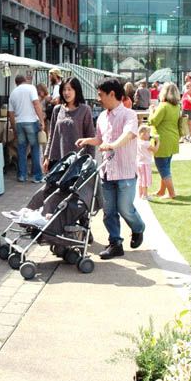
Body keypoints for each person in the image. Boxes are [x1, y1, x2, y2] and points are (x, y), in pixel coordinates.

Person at [75, 78, 146, 260]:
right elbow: (100, 139)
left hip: (126, 172)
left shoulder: (128, 115)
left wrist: (113, 145)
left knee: (125, 208)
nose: (98, 98)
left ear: (112, 94)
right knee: (109, 212)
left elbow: (129, 134)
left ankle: (138, 228)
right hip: (107, 171)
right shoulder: (102, 117)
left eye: (100, 95)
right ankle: (115, 243)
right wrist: (88, 141)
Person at [43, 77, 95, 172]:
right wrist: (47, 157)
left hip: (78, 161)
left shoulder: (85, 110)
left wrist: (91, 161)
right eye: (64, 89)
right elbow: (52, 135)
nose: (66, 93)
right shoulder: (57, 109)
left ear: (76, 90)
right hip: (57, 160)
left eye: (69, 89)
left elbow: (91, 137)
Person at [8, 75, 45, 183]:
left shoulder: (13, 93)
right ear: (25, 80)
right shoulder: (31, 88)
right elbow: (36, 104)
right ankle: (37, 176)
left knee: (21, 150)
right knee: (35, 149)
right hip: (31, 122)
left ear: (16, 83)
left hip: (19, 123)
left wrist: (14, 128)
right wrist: (41, 120)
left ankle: (22, 175)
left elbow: (10, 113)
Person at [148, 82, 180, 199]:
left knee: (162, 167)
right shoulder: (177, 106)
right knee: (166, 166)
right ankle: (162, 191)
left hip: (162, 140)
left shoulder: (163, 105)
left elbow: (153, 121)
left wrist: (151, 110)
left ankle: (171, 193)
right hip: (173, 139)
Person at [136, 125, 159, 199]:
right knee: (145, 180)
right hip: (145, 164)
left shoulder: (138, 141)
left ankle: (140, 194)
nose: (149, 135)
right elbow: (155, 150)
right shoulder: (146, 143)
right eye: (148, 133)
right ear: (143, 134)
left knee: (140, 179)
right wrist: (158, 142)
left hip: (139, 163)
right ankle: (145, 195)